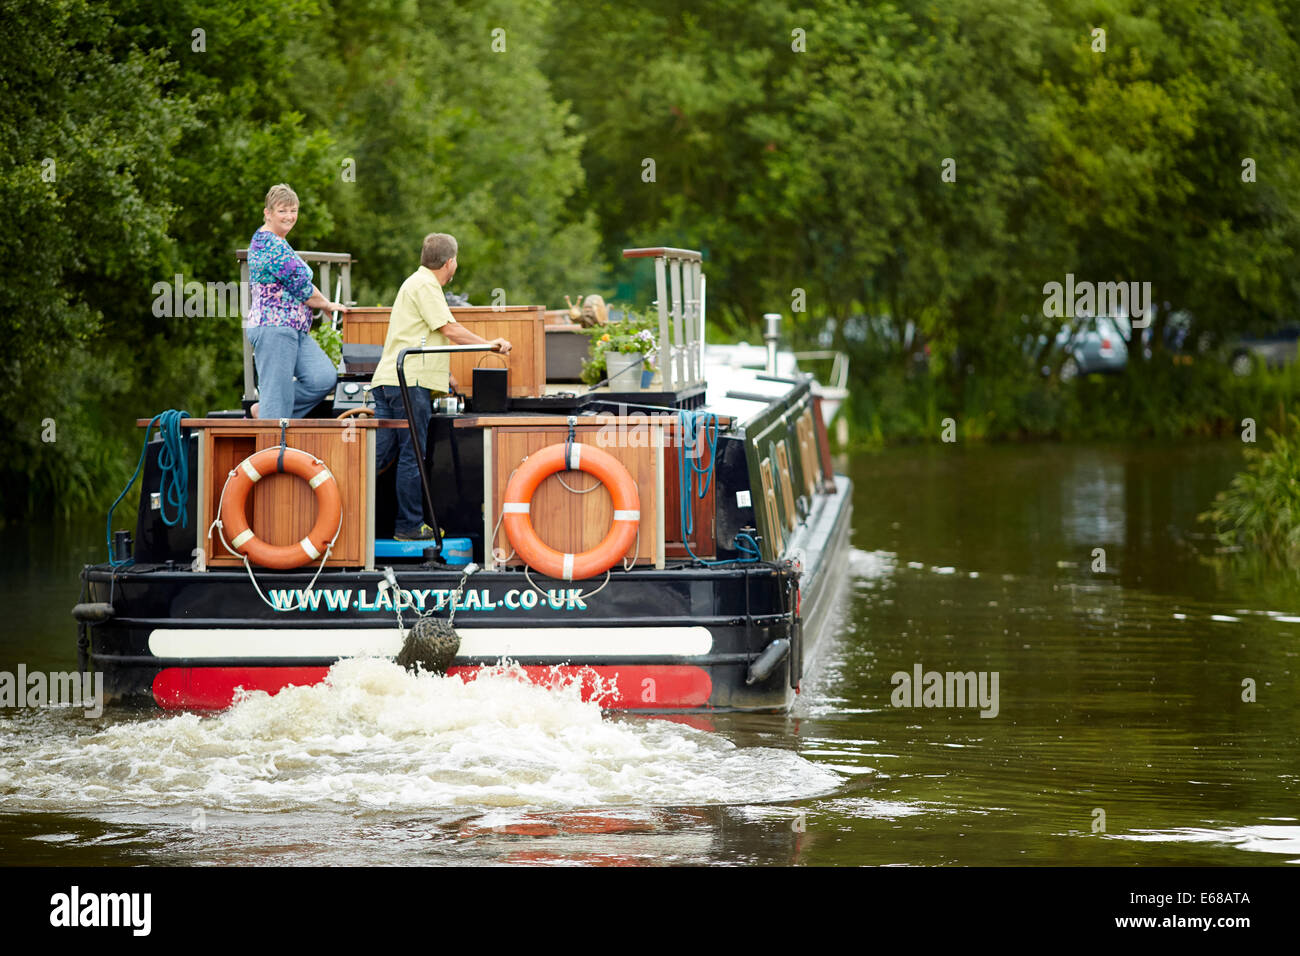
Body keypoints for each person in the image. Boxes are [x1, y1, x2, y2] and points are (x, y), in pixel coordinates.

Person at [371, 233, 511, 541]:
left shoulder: (415, 283)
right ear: (450, 262)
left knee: (378, 457)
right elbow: (450, 329)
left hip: (390, 381)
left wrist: (443, 375)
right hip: (409, 383)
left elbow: (418, 334)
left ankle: (342, 506)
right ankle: (409, 526)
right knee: (412, 454)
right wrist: (490, 345)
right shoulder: (426, 286)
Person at [244, 183, 349, 419]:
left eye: (293, 211)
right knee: (276, 401)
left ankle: (267, 408)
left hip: (294, 329)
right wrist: (326, 304)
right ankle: (270, 431)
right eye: (282, 211)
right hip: (274, 328)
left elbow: (301, 284)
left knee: (322, 378)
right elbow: (303, 288)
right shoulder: (269, 244)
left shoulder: (281, 242)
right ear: (267, 213)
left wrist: (326, 303)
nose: (289, 216)